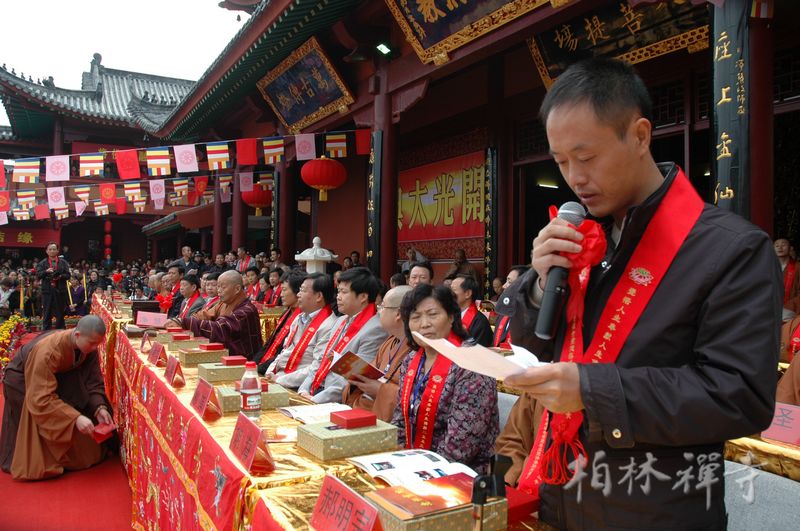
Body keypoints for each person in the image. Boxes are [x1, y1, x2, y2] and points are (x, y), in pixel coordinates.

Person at [496, 58, 779, 529]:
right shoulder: (581, 239)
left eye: (586, 157)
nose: (574, 177)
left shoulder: (732, 249)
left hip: (658, 510)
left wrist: (591, 390)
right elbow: (533, 347)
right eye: (561, 162)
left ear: (641, 135)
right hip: (562, 496)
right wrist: (541, 285)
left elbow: (740, 397)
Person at [391, 284, 499, 473]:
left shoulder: (472, 363)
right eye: (415, 317)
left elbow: (461, 445)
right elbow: (400, 418)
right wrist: (396, 456)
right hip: (411, 462)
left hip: (460, 472)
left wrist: (419, 471)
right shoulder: (411, 360)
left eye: (432, 314)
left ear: (451, 317)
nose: (424, 324)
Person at [0, 315, 111, 480]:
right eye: (92, 343)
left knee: (89, 449)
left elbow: (93, 381)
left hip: (52, 381)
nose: (95, 348)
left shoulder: (88, 346)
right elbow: (41, 398)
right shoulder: (48, 351)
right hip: (22, 381)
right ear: (77, 335)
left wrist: (99, 407)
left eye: (98, 344)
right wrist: (75, 418)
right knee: (37, 448)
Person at [298, 267, 387, 403]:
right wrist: (304, 389)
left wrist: (314, 400)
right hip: (316, 390)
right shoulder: (341, 320)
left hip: (336, 400)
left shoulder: (376, 329)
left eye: (344, 292)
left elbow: (354, 378)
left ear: (363, 297)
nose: (338, 297)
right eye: (338, 291)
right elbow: (321, 359)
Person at [344, 285, 413, 421]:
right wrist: (356, 376)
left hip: (386, 419)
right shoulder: (390, 341)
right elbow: (371, 371)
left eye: (382, 307)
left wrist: (380, 390)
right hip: (363, 406)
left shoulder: (417, 349)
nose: (378, 311)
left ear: (398, 314)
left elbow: (414, 399)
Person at [264, 272, 338, 388]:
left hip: (300, 385)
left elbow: (317, 366)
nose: (298, 294)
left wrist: (280, 380)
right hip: (279, 377)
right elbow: (285, 350)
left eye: (303, 290)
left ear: (319, 296)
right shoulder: (299, 318)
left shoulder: (329, 325)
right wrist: (270, 372)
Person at [174, 270, 263, 359]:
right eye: (218, 287)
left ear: (237, 289)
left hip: (244, 361)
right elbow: (204, 315)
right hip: (226, 356)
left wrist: (185, 322)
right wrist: (181, 321)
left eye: (223, 287)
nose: (218, 291)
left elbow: (220, 329)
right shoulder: (223, 304)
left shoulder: (247, 310)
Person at [450, 274, 493, 347]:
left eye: (453, 290)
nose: (449, 294)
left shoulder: (480, 322)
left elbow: (477, 351)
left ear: (467, 294)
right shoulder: (449, 316)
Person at [493, 265, 529, 350]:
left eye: (509, 282)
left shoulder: (530, 318)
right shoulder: (503, 313)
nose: (504, 286)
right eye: (506, 281)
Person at [36, 242, 71, 330]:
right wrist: (46, 271)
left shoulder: (63, 262)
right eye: (50, 249)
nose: (52, 251)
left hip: (60, 289)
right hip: (47, 290)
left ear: (57, 251)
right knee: (47, 311)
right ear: (46, 251)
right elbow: (38, 275)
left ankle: (60, 331)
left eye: (54, 249)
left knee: (60, 312)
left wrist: (60, 276)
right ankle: (46, 332)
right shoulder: (42, 263)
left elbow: (68, 275)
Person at [776, 238, 800, 311]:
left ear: (790, 248)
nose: (780, 247)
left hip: (790, 308)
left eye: (783, 245)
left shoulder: (798, 267)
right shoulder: (768, 267)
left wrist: (790, 306)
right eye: (777, 246)